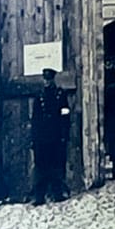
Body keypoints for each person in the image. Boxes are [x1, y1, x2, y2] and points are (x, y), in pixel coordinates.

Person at [30, 68, 70, 206]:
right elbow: (35, 119)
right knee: (40, 167)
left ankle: (57, 193)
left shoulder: (60, 95)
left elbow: (65, 115)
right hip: (42, 137)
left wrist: (65, 134)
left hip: (56, 135)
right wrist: (34, 138)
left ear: (53, 79)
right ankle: (39, 196)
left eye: (49, 79)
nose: (47, 82)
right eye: (45, 79)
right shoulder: (39, 96)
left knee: (56, 165)